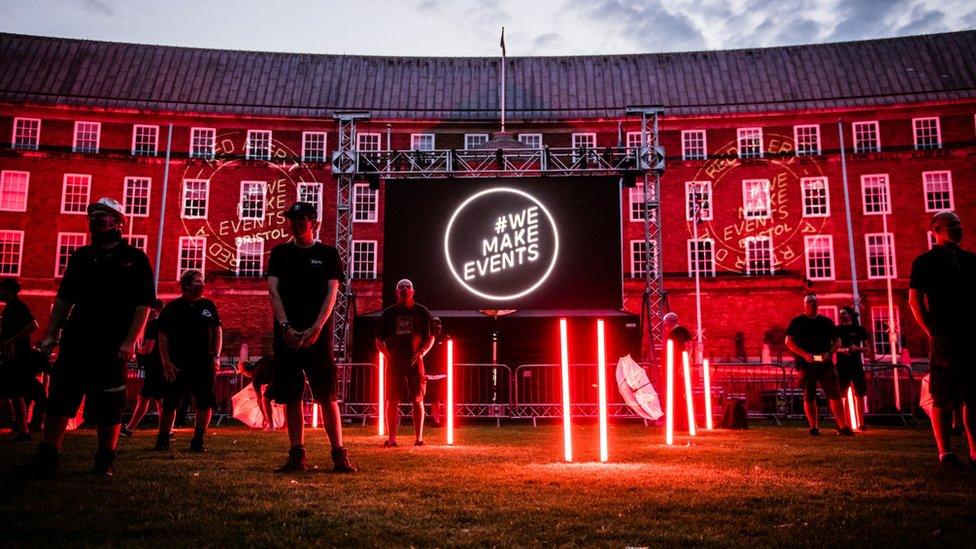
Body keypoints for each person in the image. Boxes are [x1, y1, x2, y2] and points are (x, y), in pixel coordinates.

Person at [23, 197, 154, 478]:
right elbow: (64, 299)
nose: (95, 220)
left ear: (119, 223)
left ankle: (104, 460)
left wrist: (130, 341)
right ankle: (48, 456)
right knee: (60, 398)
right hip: (77, 337)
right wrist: (51, 334)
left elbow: (143, 305)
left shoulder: (135, 259)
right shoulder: (81, 257)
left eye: (102, 215)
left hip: (112, 341)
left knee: (110, 403)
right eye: (92, 215)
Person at [268, 202, 356, 473]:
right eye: (292, 219)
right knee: (292, 396)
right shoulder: (280, 253)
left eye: (300, 219)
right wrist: (285, 327)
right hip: (288, 337)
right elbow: (273, 290)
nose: (295, 224)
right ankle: (297, 454)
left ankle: (339, 454)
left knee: (327, 396)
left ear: (313, 223)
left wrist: (317, 328)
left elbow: (332, 294)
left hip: (318, 337)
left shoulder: (328, 254)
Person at [908, 211, 976, 468]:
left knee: (972, 395)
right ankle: (945, 451)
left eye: (959, 223)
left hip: (970, 335)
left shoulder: (971, 261)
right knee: (943, 395)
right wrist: (932, 332)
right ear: (936, 230)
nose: (958, 228)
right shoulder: (925, 261)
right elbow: (915, 301)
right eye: (952, 225)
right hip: (945, 336)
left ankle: (973, 450)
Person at [153, 271, 221, 453]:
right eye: (198, 282)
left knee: (205, 403)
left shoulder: (208, 306)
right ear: (186, 285)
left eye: (203, 282)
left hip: (204, 364)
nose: (202, 285)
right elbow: (162, 337)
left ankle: (198, 440)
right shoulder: (172, 308)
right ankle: (163, 439)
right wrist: (166, 363)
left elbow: (217, 332)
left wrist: (216, 356)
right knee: (170, 403)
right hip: (178, 364)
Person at [785, 293, 854, 436]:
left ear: (818, 303)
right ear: (804, 304)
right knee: (809, 395)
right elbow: (788, 341)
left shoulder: (826, 322)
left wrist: (830, 353)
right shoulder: (797, 322)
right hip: (805, 363)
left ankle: (842, 426)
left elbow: (837, 341)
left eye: (814, 301)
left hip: (825, 362)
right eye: (809, 301)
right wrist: (804, 354)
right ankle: (813, 427)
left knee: (835, 394)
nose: (812, 304)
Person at [376, 279, 434, 447]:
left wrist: (422, 353)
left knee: (418, 399)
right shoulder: (388, 314)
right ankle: (392, 439)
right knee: (392, 399)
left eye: (407, 286)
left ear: (412, 291)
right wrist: (387, 355)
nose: (404, 289)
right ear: (396, 292)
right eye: (400, 286)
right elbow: (378, 339)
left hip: (415, 361)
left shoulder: (421, 312)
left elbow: (430, 337)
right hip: (394, 362)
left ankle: (419, 438)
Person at [0, 278, 38, 440]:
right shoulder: (10, 308)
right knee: (12, 392)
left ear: (8, 290)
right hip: (11, 355)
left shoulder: (18, 306)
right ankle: (19, 427)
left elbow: (33, 325)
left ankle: (23, 430)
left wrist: (11, 341)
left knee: (16, 392)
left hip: (19, 355)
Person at [121, 299, 165, 437]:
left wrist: (135, 352)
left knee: (147, 398)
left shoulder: (153, 324)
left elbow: (148, 348)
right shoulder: (167, 324)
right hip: (163, 365)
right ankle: (165, 430)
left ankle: (130, 428)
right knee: (156, 399)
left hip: (154, 366)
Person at [834, 306, 871, 432]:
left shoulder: (859, 329)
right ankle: (843, 424)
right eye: (840, 314)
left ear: (850, 315)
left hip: (856, 365)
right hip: (842, 365)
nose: (841, 316)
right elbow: (831, 348)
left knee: (859, 394)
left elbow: (868, 349)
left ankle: (861, 423)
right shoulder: (837, 330)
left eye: (844, 313)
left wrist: (857, 349)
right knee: (841, 395)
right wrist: (841, 350)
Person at [662, 312, 693, 429]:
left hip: (679, 367)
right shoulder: (671, 333)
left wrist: (683, 365)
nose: (665, 325)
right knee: (674, 394)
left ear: (670, 322)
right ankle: (675, 421)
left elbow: (688, 347)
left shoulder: (681, 331)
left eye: (666, 323)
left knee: (680, 394)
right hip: (673, 367)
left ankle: (681, 422)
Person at [238, 356, 275, 429]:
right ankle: (285, 424)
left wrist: (265, 417)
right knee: (286, 400)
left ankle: (271, 425)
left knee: (265, 399)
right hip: (284, 374)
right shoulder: (260, 362)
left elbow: (259, 399)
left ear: (245, 372)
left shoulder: (255, 377)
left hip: (276, 380)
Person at [425, 317, 446, 427]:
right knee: (433, 398)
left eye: (438, 324)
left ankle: (448, 419)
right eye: (434, 324)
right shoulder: (426, 339)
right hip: (428, 373)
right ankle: (436, 420)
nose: (436, 326)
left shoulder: (445, 338)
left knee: (445, 397)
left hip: (442, 373)